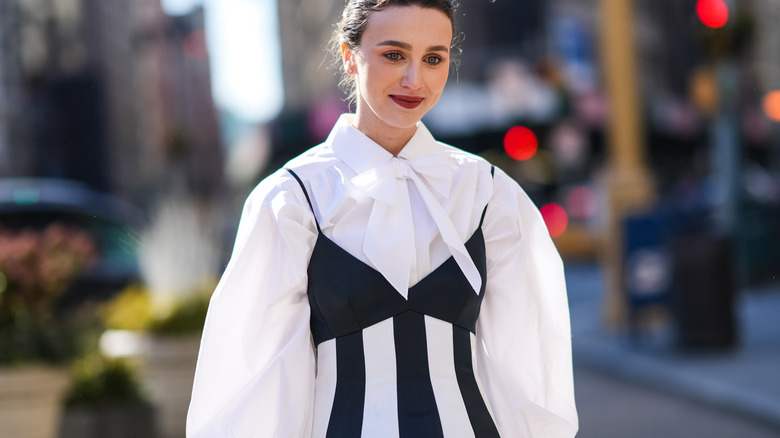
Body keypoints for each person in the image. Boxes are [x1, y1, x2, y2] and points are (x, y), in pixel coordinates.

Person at [186, 0, 578, 436]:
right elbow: (255, 385)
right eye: (394, 54)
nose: (415, 79)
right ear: (349, 56)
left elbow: (528, 371)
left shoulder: (490, 193)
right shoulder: (292, 199)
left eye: (434, 58)